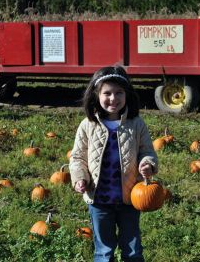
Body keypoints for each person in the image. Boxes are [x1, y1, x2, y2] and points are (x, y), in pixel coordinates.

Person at [69, 65, 158, 262]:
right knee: (104, 251)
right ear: (96, 95)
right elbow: (77, 158)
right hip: (99, 200)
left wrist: (147, 164)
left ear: (127, 95)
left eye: (119, 93)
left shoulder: (136, 124)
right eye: (107, 93)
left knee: (133, 250)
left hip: (129, 199)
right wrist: (79, 178)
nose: (113, 98)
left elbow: (147, 151)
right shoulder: (88, 125)